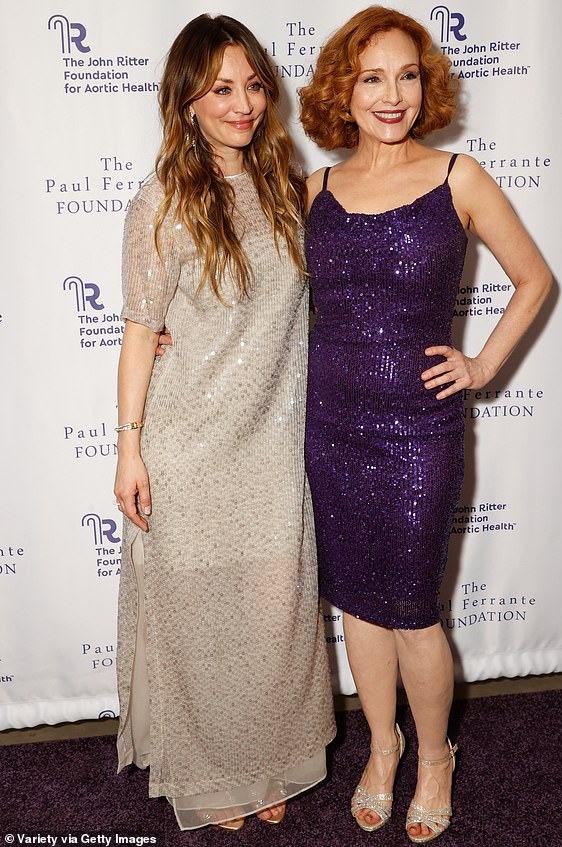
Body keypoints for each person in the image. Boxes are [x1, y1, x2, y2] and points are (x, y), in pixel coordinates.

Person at [298, 5, 552, 843]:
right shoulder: (313, 192)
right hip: (331, 425)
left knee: (411, 607)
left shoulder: (458, 178)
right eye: (373, 76)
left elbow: (534, 280)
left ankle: (435, 755)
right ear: (345, 88)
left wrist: (481, 366)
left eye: (408, 74)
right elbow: (264, 306)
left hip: (419, 430)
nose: (393, 93)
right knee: (358, 608)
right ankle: (382, 746)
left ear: (426, 83)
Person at [113, 13, 335, 833]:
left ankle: (269, 763)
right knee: (202, 615)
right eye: (219, 90)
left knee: (273, 615)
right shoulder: (161, 200)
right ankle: (215, 774)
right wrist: (129, 447)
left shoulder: (290, 187)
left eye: (251, 85)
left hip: (272, 444)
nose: (241, 104)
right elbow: (141, 327)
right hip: (187, 442)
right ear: (187, 102)